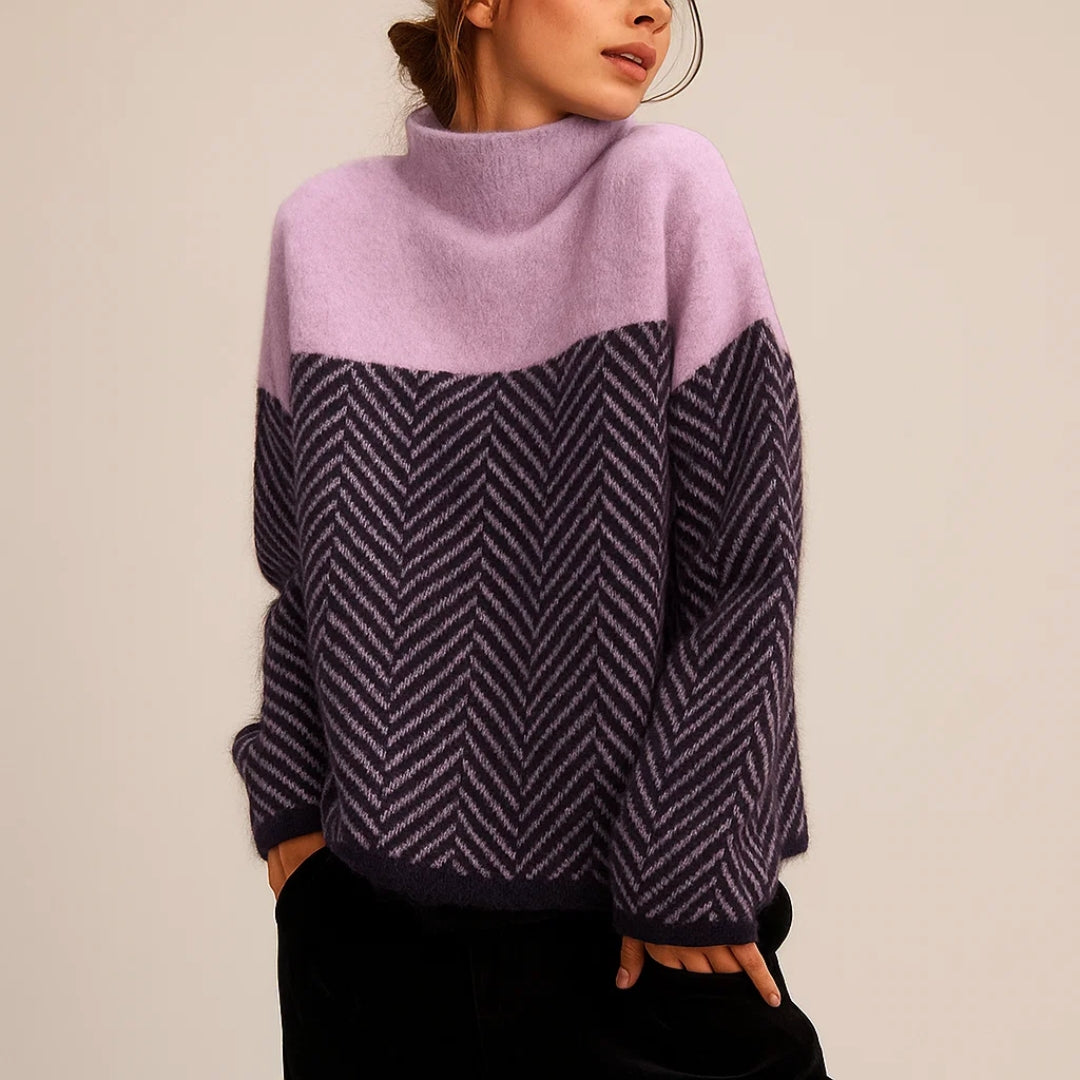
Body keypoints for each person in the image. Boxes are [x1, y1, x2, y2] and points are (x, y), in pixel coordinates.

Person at [230, 2, 833, 1077]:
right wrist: (293, 813)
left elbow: (747, 568)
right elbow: (300, 568)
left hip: (639, 932)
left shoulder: (666, 189)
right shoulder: (320, 229)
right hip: (371, 947)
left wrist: (692, 858)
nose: (654, 11)